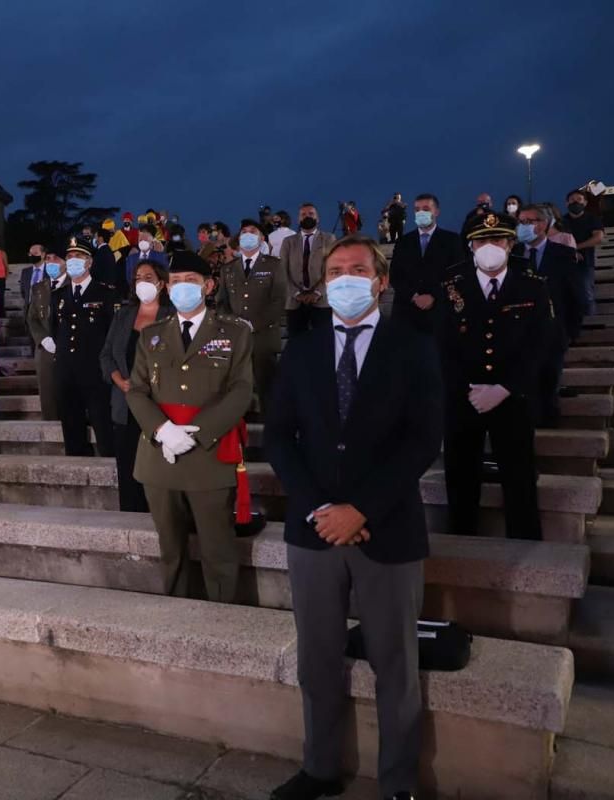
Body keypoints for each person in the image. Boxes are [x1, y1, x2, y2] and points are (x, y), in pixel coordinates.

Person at [264, 234, 442, 800]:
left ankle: (399, 783)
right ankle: (319, 768)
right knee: (317, 660)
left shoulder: (413, 346)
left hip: (386, 527)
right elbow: (279, 438)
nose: (345, 277)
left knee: (396, 664)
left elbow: (423, 440)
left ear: (380, 280)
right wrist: (321, 509)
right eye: (336, 269)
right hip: (313, 532)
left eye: (357, 268)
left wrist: (360, 508)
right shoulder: (301, 348)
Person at [126, 250, 253, 601]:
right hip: (159, 459)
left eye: (191, 282)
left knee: (218, 554)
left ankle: (221, 624)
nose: (183, 288)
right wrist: (163, 431)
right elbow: (137, 390)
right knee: (171, 554)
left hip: (209, 459)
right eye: (177, 282)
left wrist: (198, 432)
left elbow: (241, 390)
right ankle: (179, 620)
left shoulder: (234, 333)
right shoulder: (151, 335)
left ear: (208, 286)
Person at [441, 212, 551, 540]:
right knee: (460, 477)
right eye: (483, 240)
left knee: (519, 477)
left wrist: (505, 387)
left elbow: (542, 345)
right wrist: (468, 388)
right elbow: (440, 345)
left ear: (511, 243)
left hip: (513, 398)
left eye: (498, 239)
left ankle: (526, 545)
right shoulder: (450, 286)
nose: (491, 246)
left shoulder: (532, 286)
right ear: (471, 245)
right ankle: (461, 544)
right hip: (464, 398)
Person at [100, 260, 172, 512]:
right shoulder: (123, 315)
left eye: (148, 277)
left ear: (161, 283)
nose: (142, 281)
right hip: (125, 405)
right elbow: (106, 355)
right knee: (128, 470)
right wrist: (120, 381)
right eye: (138, 277)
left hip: (160, 408)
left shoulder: (171, 316)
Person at [515, 204, 587, 426]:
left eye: (529, 221)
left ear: (544, 224)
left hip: (554, 331)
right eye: (521, 221)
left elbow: (576, 295)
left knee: (549, 380)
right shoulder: (513, 255)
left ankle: (549, 426)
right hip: (520, 333)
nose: (523, 226)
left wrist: (570, 332)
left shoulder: (564, 254)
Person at [49, 239, 121, 457]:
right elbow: (55, 330)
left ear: (89, 262)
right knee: (71, 427)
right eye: (69, 257)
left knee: (104, 426)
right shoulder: (58, 296)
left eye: (78, 257)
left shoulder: (105, 293)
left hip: (95, 371)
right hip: (66, 371)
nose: (72, 261)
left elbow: (113, 333)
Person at [215, 220, 287, 412]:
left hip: (263, 339)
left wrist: (252, 324)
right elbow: (221, 303)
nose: (247, 234)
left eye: (253, 231)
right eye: (244, 232)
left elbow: (279, 301)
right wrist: (234, 323)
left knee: (268, 391)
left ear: (261, 237)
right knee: (234, 390)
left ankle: (274, 432)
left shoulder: (274, 265)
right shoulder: (228, 269)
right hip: (234, 339)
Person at [388, 193, 463, 335]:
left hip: (439, 315)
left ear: (436, 212)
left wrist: (434, 296)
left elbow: (458, 274)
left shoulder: (452, 240)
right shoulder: (404, 242)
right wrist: (414, 296)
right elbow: (395, 275)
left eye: (426, 209)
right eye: (417, 210)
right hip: (406, 316)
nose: (421, 213)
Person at [279, 204, 335, 336]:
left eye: (311, 214)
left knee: (323, 342)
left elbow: (332, 269)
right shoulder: (288, 242)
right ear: (298, 219)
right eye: (303, 214)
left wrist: (318, 292)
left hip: (322, 300)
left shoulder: (328, 239)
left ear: (318, 218)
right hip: (294, 301)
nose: (307, 216)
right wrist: (296, 293)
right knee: (296, 343)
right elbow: (282, 270)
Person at [25, 252, 64, 422]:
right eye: (48, 259)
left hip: (68, 348)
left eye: (56, 259)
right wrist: (43, 339)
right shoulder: (39, 287)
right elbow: (31, 318)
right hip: (45, 349)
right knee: (47, 394)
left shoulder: (74, 285)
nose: (51, 262)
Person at [563, 188, 604, 315]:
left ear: (585, 203)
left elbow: (598, 237)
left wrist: (576, 247)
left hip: (585, 264)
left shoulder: (592, 219)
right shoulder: (562, 221)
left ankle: (591, 327)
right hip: (565, 263)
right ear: (566, 203)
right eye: (572, 200)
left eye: (579, 200)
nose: (575, 203)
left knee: (587, 295)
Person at [91, 228, 122, 294]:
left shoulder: (102, 252)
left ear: (101, 238)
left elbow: (96, 270)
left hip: (102, 288)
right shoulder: (106, 250)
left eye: (95, 236)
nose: (94, 239)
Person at [19, 243, 47, 308]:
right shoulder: (25, 272)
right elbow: (23, 292)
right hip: (29, 309)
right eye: (30, 254)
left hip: (45, 310)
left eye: (35, 253)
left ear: (43, 255)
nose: (32, 256)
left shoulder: (49, 271)